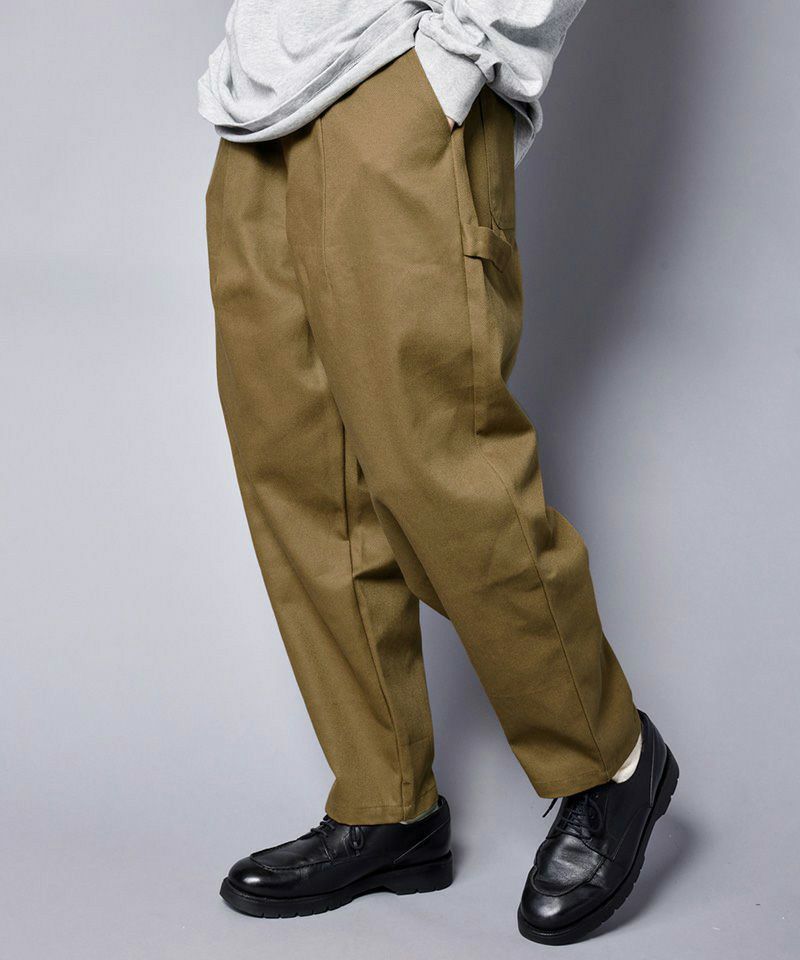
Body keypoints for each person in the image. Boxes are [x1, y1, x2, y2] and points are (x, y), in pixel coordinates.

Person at [199, 0, 678, 945]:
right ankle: (387, 805)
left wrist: (461, 57)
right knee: (297, 474)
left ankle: (611, 761)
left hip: (399, 78)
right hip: (258, 102)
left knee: (442, 468)